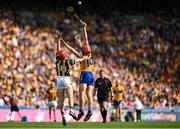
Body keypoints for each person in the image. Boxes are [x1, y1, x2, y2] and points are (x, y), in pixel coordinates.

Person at [61, 21, 94, 121]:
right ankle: (90, 111)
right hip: (92, 75)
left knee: (82, 93)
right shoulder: (90, 54)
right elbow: (86, 39)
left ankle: (81, 111)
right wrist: (84, 28)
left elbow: (72, 50)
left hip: (85, 74)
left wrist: (64, 43)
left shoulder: (82, 56)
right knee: (89, 95)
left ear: (83, 51)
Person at [55, 31, 87, 126]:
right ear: (65, 56)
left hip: (59, 79)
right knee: (70, 96)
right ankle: (72, 110)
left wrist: (58, 39)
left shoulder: (57, 61)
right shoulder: (68, 61)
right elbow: (78, 60)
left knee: (60, 101)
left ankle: (63, 116)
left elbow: (58, 49)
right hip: (66, 79)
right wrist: (83, 58)